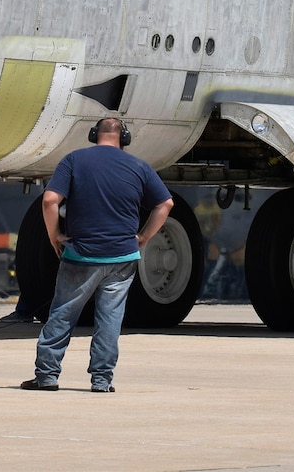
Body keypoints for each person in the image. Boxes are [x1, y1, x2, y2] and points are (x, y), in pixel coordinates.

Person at [21, 116, 173, 393]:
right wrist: (144, 237)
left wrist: (54, 235)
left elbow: (49, 200)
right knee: (110, 319)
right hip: (122, 258)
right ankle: (101, 380)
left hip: (81, 255)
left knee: (63, 314)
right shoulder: (140, 166)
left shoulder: (74, 161)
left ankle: (47, 376)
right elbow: (165, 203)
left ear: (94, 135)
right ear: (123, 138)